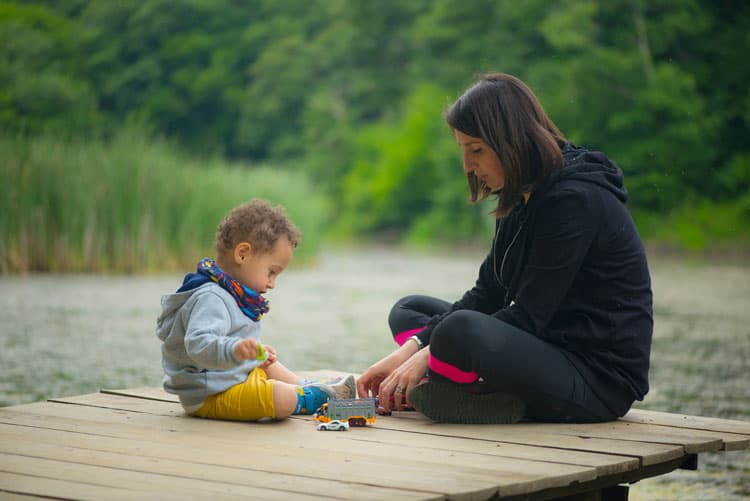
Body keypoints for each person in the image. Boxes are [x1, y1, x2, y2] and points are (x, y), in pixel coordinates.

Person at [356, 73, 653, 424]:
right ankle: (476, 392)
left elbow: (527, 316)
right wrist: (411, 349)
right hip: (545, 352)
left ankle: (456, 385)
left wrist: (425, 355)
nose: (467, 165)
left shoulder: (575, 201)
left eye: (476, 149)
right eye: (463, 150)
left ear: (511, 140)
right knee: (409, 310)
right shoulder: (520, 194)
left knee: (457, 330)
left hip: (597, 381)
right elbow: (488, 293)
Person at [157, 199, 355, 421]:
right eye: (271, 272)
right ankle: (305, 397)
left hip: (229, 378)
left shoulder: (232, 293)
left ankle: (307, 385)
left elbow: (230, 339)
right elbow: (199, 345)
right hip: (209, 394)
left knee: (268, 362)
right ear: (243, 254)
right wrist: (236, 350)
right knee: (282, 398)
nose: (272, 284)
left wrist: (252, 351)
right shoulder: (210, 298)